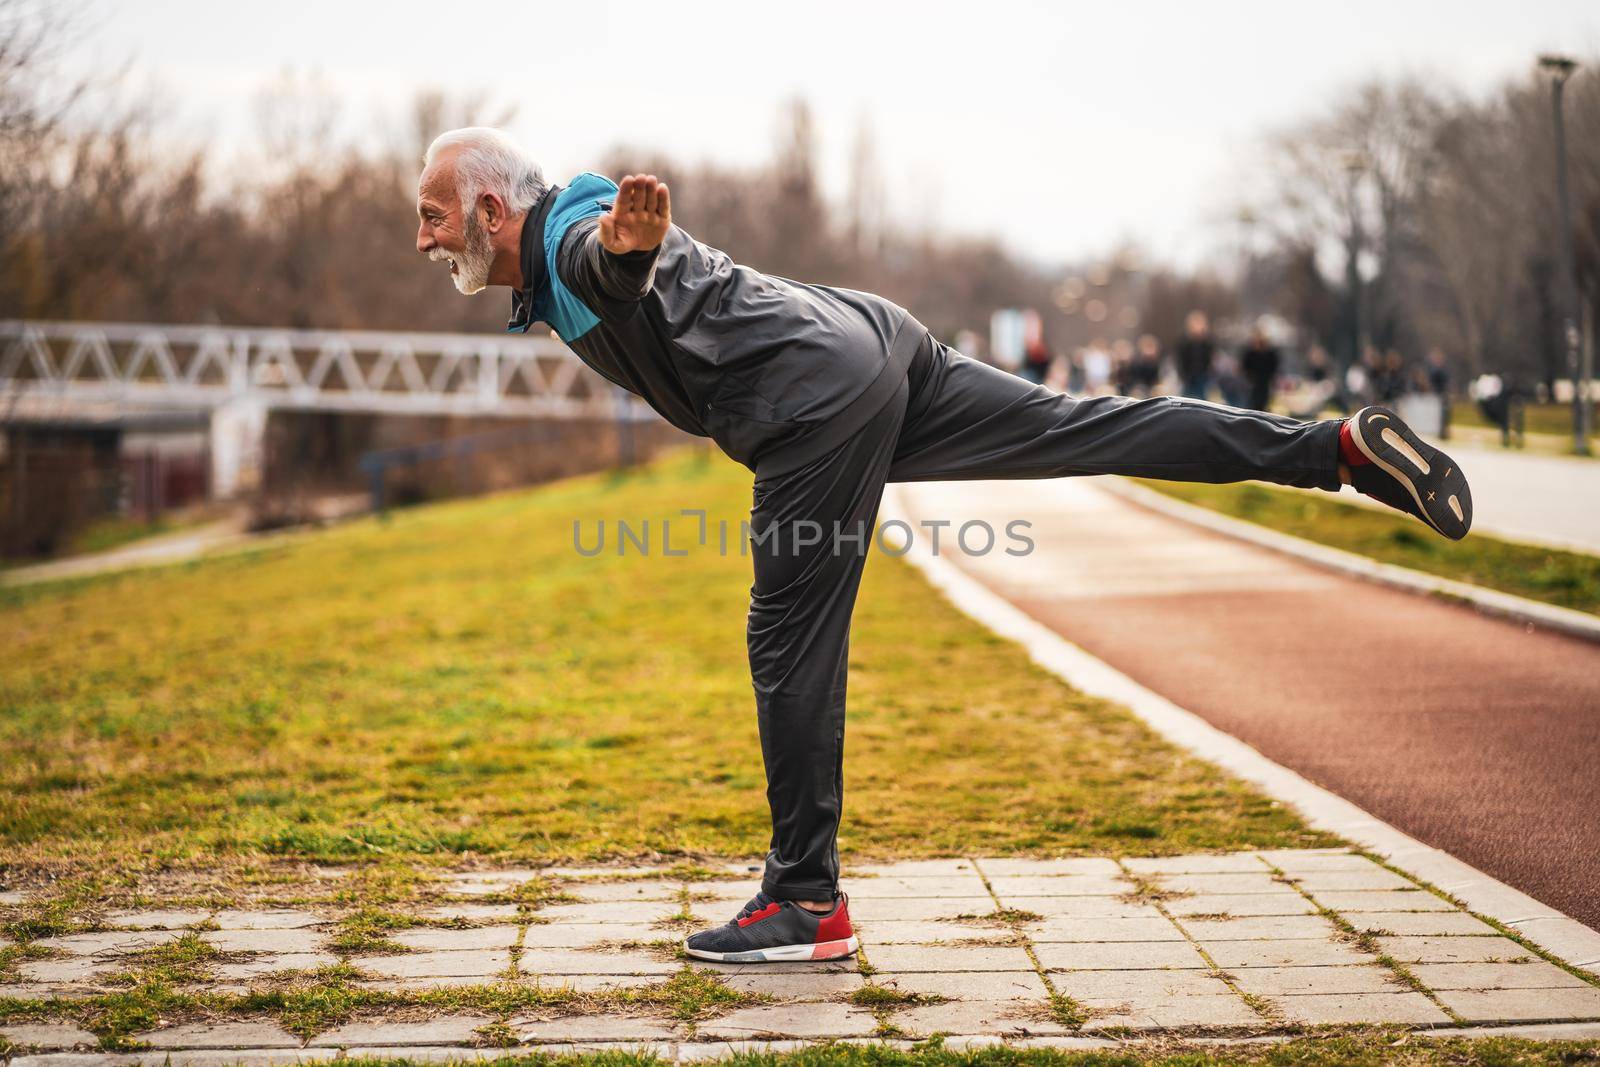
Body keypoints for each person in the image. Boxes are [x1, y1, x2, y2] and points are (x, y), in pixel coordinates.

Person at [414, 128, 1475, 965]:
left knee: (785, 640)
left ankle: (804, 899)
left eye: (431, 216)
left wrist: (623, 253)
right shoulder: (555, 252)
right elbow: (605, 263)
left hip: (807, 398)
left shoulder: (569, 237)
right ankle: (1332, 450)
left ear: (491, 209)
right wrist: (620, 256)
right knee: (1084, 426)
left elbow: (605, 261)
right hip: (871, 338)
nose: (423, 239)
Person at [1175, 311, 1215, 400]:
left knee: (1202, 400)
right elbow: (1181, 359)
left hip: (1202, 376)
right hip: (1188, 376)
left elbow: (1210, 359)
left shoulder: (1207, 343)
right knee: (1185, 399)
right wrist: (1182, 374)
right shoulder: (1184, 342)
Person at [1241, 325, 1281, 413]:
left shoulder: (1270, 352)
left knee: (1264, 401)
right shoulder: (1251, 352)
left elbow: (1274, 365)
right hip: (1253, 381)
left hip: (1265, 380)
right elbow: (1245, 365)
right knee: (1253, 402)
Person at [1427, 346, 1452, 440]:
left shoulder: (1444, 369)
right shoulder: (1432, 369)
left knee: (1444, 415)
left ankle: (1444, 433)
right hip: (1435, 395)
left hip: (1442, 394)